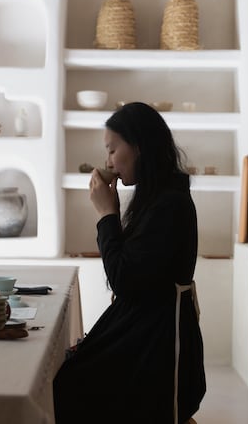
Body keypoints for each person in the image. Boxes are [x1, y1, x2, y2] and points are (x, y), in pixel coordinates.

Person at [53, 102, 206, 424]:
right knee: (69, 369)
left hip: (157, 336)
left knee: (69, 384)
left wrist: (106, 214)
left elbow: (122, 278)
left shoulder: (169, 203)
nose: (107, 161)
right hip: (144, 322)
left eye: (112, 149)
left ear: (138, 147)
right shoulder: (159, 196)